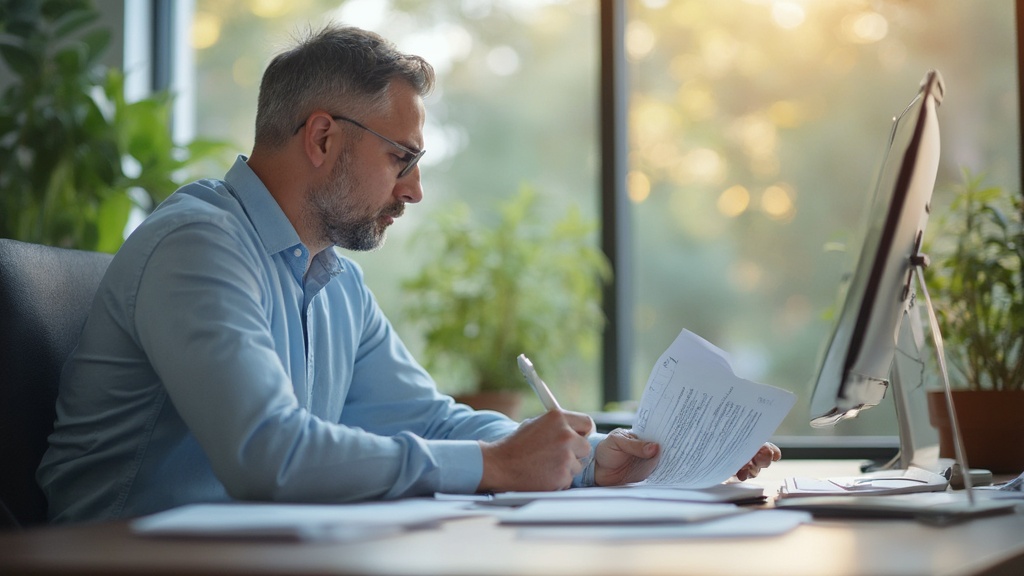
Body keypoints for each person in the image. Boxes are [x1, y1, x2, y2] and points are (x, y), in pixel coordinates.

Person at [37, 24, 781, 524]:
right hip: (112, 556)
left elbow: (429, 421)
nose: (415, 191)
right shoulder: (198, 248)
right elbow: (271, 454)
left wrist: (593, 459)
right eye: (403, 158)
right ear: (324, 137)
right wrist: (494, 464)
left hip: (242, 552)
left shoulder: (332, 281)